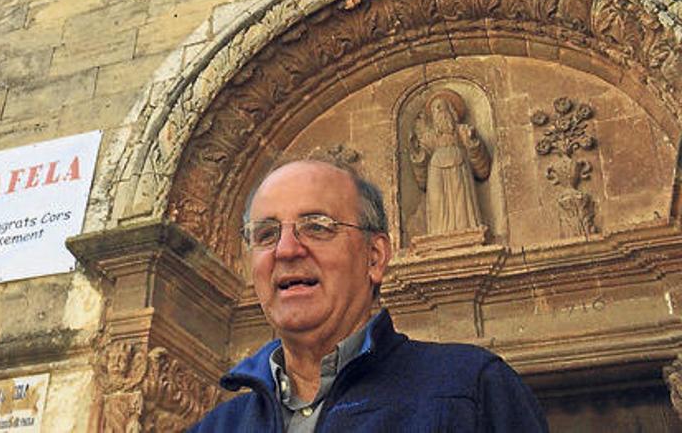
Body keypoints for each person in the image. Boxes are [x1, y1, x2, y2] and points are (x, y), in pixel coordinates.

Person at [190, 159, 548, 432]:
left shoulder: (471, 389)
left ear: (374, 257)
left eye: (316, 227)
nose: (285, 250)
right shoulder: (217, 427)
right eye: (265, 234)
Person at [409, 90, 491, 234]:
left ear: (451, 111)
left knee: (461, 203)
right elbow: (421, 166)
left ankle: (467, 230)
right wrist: (417, 152)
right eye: (436, 109)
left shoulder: (462, 131)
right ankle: (438, 233)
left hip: (459, 169)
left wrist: (473, 143)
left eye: (442, 107)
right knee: (438, 203)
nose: (440, 111)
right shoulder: (430, 138)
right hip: (436, 171)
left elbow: (481, 166)